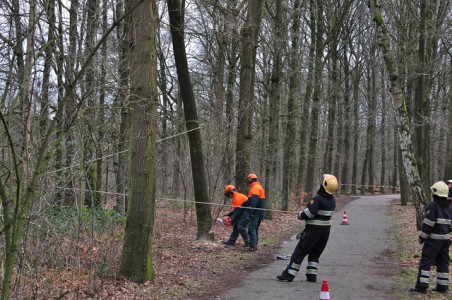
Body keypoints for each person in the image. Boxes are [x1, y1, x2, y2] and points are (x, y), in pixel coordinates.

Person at [277, 174, 338, 283]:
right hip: (325, 232)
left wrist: (300, 214)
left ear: (323, 185)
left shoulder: (317, 199)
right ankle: (312, 275)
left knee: (300, 251)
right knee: (315, 253)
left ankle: (289, 274)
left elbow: (310, 213)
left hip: (313, 231)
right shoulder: (332, 200)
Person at [409, 181, 452, 294]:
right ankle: (442, 287)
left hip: (433, 241)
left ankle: (421, 287)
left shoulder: (433, 206)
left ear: (434, 192)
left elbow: (428, 224)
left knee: (426, 262)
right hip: (445, 241)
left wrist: (421, 238)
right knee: (443, 262)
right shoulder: (449, 207)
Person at [238, 173, 265, 252]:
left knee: (251, 229)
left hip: (255, 212)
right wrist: (245, 204)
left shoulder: (255, 188)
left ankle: (252, 246)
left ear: (249, 180)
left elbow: (254, 202)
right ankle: (254, 245)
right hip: (259, 212)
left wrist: (250, 212)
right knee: (255, 229)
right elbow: (252, 201)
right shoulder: (258, 187)